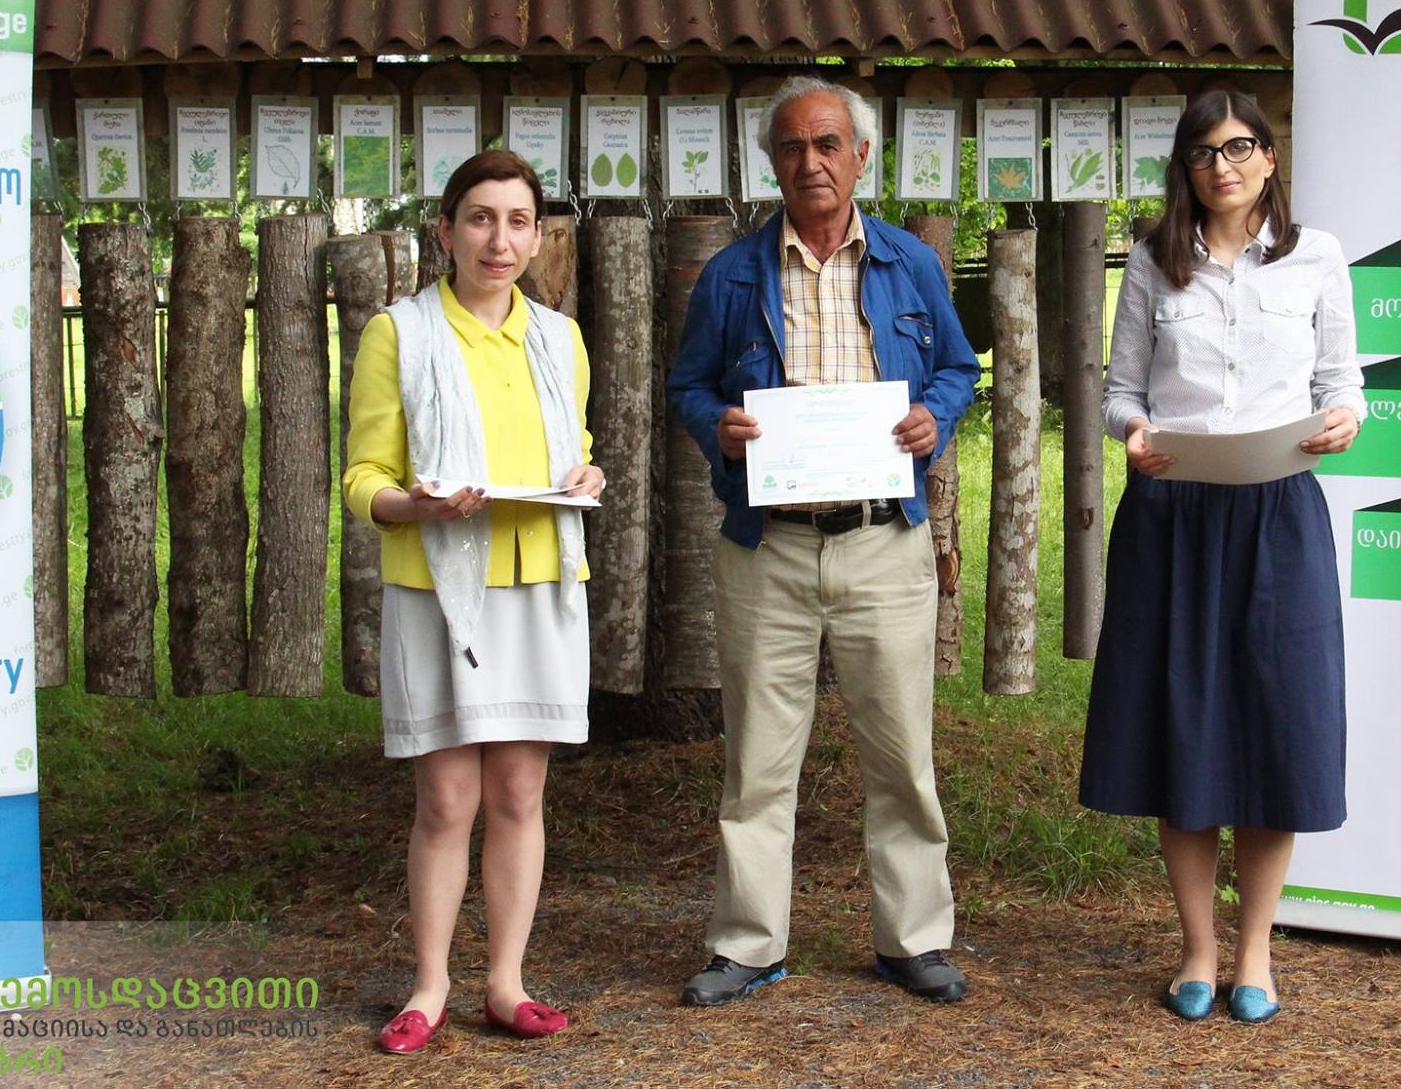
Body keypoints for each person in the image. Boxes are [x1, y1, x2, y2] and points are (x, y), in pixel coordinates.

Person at [668, 77, 982, 1006]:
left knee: (902, 757)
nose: (811, 161)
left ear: (861, 156)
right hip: (768, 546)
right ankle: (748, 944)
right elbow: (688, 387)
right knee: (757, 763)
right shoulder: (732, 273)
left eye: (828, 143)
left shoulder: (909, 263)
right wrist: (718, 426)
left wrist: (934, 416)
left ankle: (913, 939)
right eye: (793, 147)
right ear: (772, 162)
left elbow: (958, 366)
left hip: (883, 540)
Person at [1077, 89, 1364, 1024]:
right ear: (1186, 168)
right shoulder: (1153, 261)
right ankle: (1197, 949)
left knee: (1277, 726)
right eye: (1203, 153)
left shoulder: (1316, 256)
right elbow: (1121, 392)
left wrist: (1345, 420)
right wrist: (1134, 434)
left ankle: (1256, 954)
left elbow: (1341, 381)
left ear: (1270, 158)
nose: (1222, 166)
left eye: (1240, 148)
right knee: (1185, 725)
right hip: (1175, 514)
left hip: (1279, 514)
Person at [341, 149, 605, 1054]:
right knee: (449, 799)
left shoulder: (559, 338)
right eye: (481, 218)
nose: (500, 240)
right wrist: (413, 506)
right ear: (445, 231)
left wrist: (588, 472)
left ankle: (506, 983)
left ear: (538, 237)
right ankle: (429, 986)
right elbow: (363, 476)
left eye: (518, 221)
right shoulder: (401, 333)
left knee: (520, 791)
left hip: (537, 581)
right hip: (440, 588)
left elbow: (575, 449)